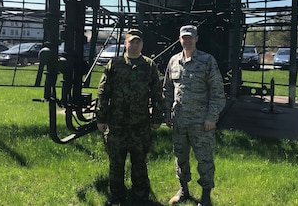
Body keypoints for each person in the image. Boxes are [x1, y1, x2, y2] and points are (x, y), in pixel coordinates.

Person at [96, 29, 164, 206]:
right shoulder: (114, 64)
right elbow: (103, 92)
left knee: (139, 163)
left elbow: (157, 93)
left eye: (137, 42)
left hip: (139, 124)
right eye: (131, 42)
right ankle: (116, 196)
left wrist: (157, 117)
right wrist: (101, 118)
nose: (134, 45)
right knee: (116, 164)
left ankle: (140, 196)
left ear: (142, 44)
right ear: (125, 44)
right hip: (116, 124)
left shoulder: (149, 65)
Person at [163, 25, 226, 206]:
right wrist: (167, 113)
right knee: (180, 157)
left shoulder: (207, 61)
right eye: (184, 37)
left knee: (204, 159)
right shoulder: (174, 61)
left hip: (201, 123)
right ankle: (183, 190)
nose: (187, 40)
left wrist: (211, 117)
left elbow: (218, 92)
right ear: (180, 39)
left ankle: (206, 195)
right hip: (179, 121)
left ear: (196, 39)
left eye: (190, 37)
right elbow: (167, 89)